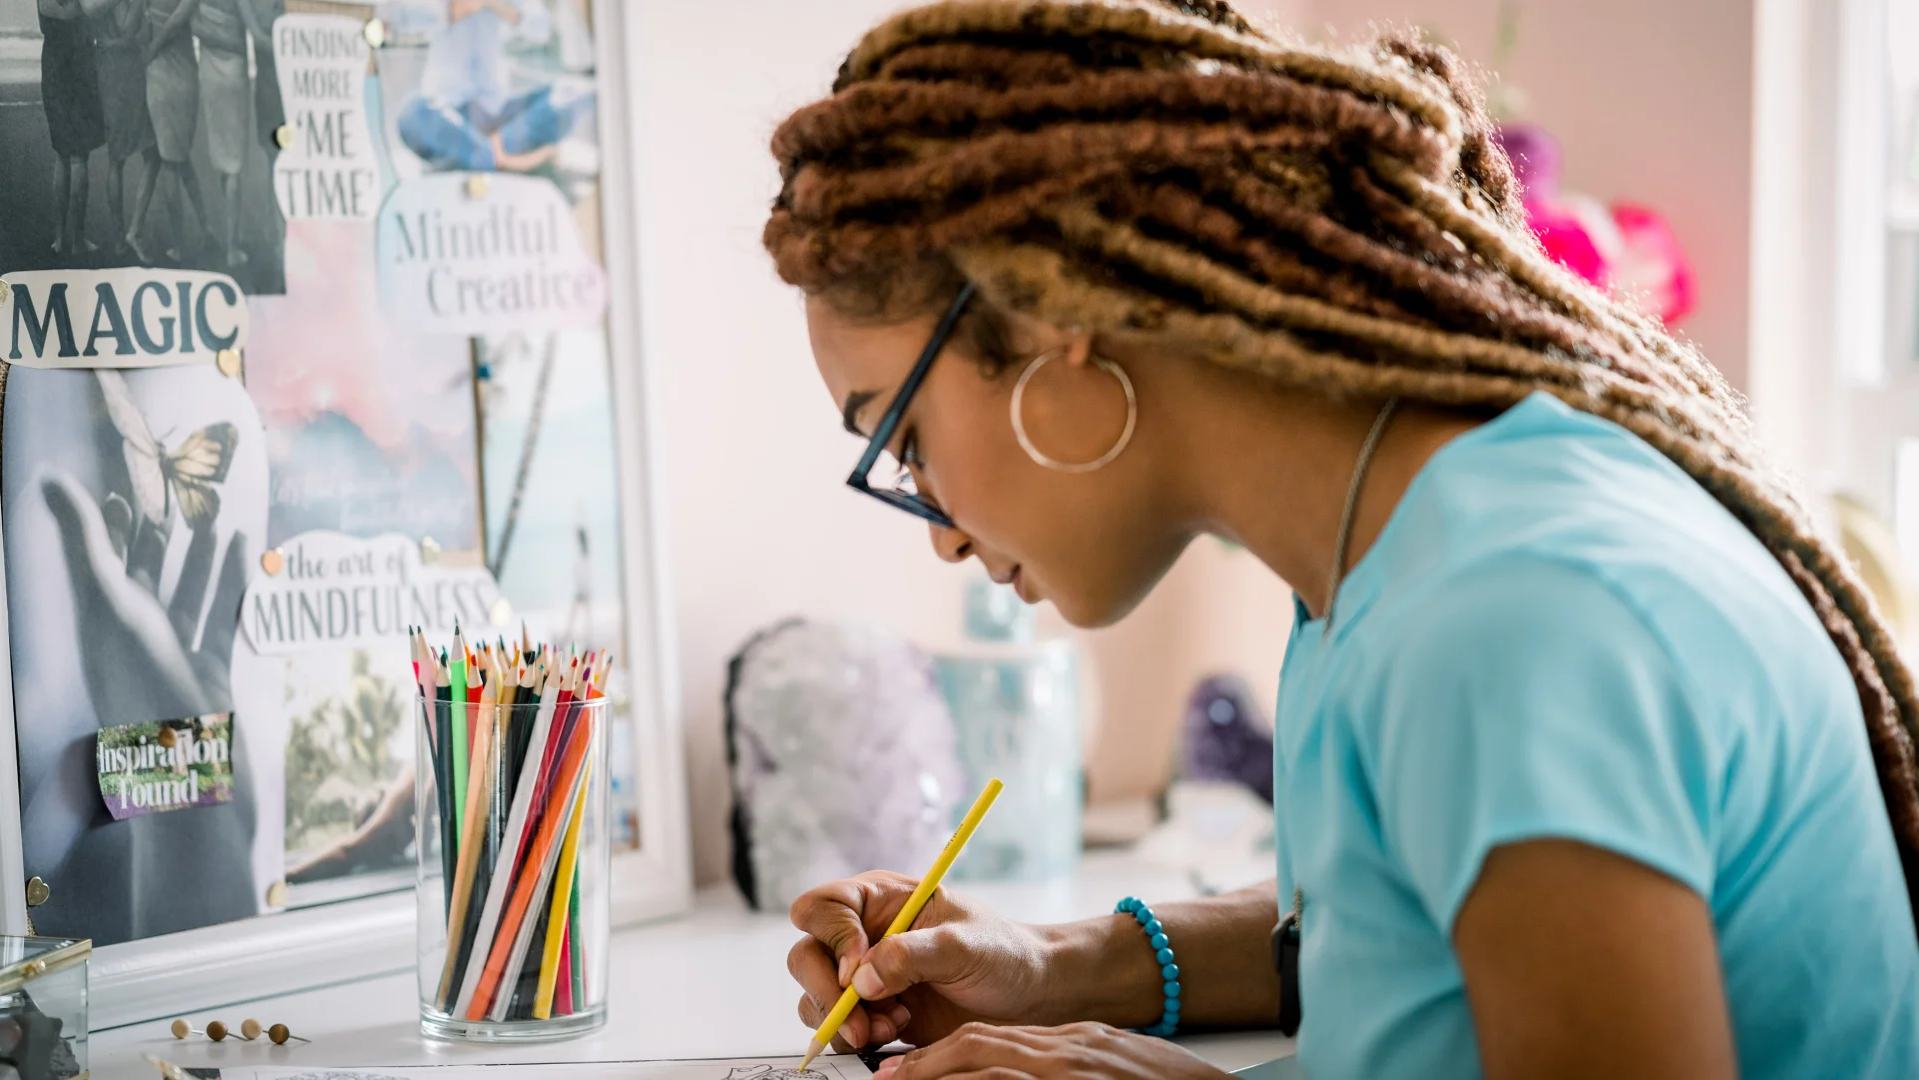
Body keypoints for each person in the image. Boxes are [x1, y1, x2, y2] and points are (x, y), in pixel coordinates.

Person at [767, 3, 1919, 1079]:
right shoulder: (1394, 546)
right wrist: (1058, 968)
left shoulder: (1514, 612)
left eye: (904, 434)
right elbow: (1405, 936)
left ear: (1055, 318)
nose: (941, 538)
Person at [393, 0, 591, 174]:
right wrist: (449, 9)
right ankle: (495, 158)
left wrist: (497, 5)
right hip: (448, 113)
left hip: (499, 116)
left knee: (570, 91)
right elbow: (401, 18)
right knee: (411, 113)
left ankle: (483, 157)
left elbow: (541, 28)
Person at [191, 0, 270, 267]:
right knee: (234, 162)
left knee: (224, 161)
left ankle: (230, 234)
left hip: (210, 74)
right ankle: (232, 247)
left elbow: (191, 24)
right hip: (233, 72)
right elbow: (255, 34)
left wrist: (209, 35)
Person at [135, 0, 214, 264]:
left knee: (177, 159)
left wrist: (149, 50)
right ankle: (188, 240)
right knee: (174, 160)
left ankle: (201, 232)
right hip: (180, 77)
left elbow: (152, 27)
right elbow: (178, 21)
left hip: (159, 75)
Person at [83, 0, 159, 258]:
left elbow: (92, 18)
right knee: (149, 155)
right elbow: (131, 33)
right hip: (125, 72)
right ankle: (132, 231)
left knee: (118, 159)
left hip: (106, 69)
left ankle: (121, 236)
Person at [38, 0, 105, 257]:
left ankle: (59, 238)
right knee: (78, 157)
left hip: (53, 62)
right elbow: (86, 11)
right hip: (77, 63)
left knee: (62, 154)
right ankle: (77, 239)